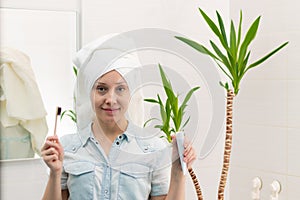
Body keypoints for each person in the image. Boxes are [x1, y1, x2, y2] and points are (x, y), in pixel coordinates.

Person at [41, 34, 197, 200]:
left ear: (131, 93)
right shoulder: (67, 147)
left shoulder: (153, 148)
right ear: (89, 92)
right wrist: (54, 173)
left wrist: (178, 171)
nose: (110, 99)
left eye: (120, 89)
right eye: (101, 89)